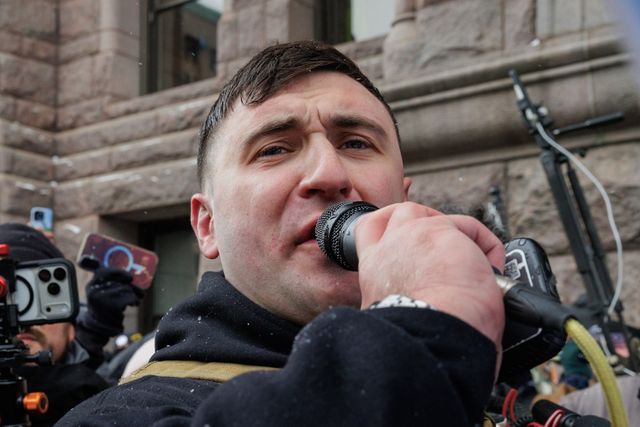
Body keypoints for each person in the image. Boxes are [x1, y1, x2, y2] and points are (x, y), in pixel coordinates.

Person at [58, 40, 505, 426]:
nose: (329, 174)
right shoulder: (120, 417)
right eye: (274, 149)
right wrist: (425, 335)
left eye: (356, 143)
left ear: (403, 199)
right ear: (207, 225)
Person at [0, 223, 142, 426]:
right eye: (5, 300)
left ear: (71, 329)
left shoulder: (101, 392)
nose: (21, 323)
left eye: (41, 302)